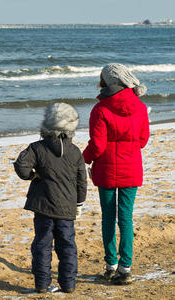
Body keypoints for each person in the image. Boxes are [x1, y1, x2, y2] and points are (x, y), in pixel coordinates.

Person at [83, 63, 150, 285]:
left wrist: (83, 158)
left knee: (108, 218)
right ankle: (125, 268)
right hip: (131, 168)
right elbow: (142, 141)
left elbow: (97, 145)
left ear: (107, 81)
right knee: (126, 218)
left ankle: (111, 265)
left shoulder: (100, 109)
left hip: (107, 170)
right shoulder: (140, 107)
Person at [14, 103, 87, 293]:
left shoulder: (37, 148)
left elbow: (21, 167)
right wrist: (79, 202)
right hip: (66, 207)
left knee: (42, 245)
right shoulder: (75, 151)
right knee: (67, 245)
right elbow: (82, 181)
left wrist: (33, 176)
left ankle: (42, 284)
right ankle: (68, 284)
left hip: (43, 206)